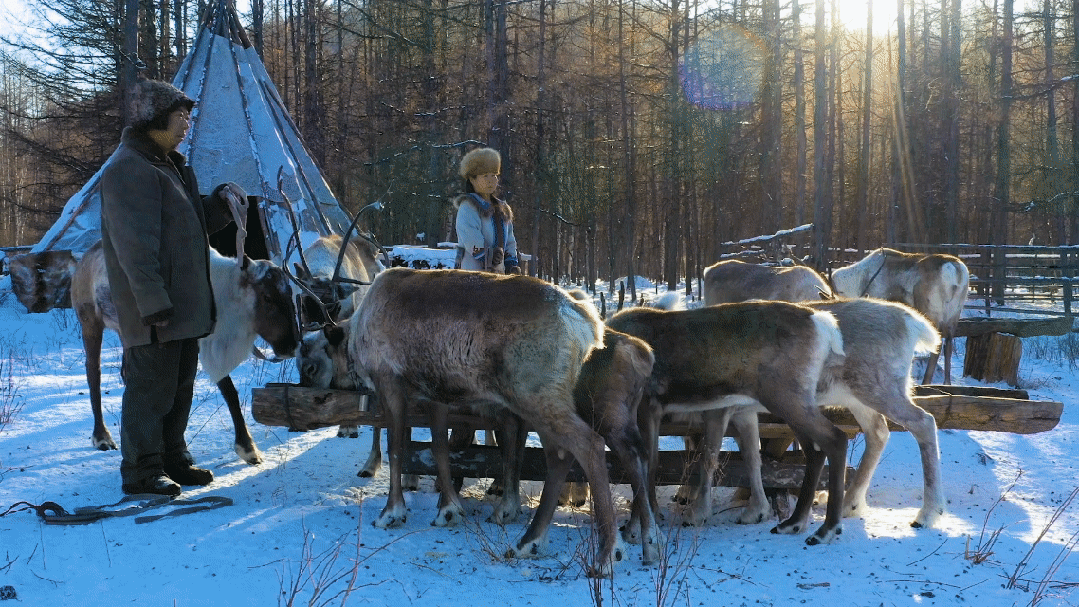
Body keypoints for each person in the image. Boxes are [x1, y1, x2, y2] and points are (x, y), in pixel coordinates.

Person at [99, 78, 246, 496]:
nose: (187, 125)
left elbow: (187, 227)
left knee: (179, 385)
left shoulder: (168, 166)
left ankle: (172, 457)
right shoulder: (130, 169)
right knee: (151, 389)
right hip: (155, 309)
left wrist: (218, 205)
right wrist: (152, 302)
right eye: (181, 116)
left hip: (181, 305)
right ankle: (142, 470)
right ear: (155, 119)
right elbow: (135, 247)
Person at [453, 147, 521, 274]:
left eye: (494, 175)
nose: (491, 180)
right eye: (485, 176)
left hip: (498, 276)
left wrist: (511, 264)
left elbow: (510, 241)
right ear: (472, 179)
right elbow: (471, 240)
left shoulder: (502, 209)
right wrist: (490, 256)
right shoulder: (468, 207)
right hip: (471, 275)